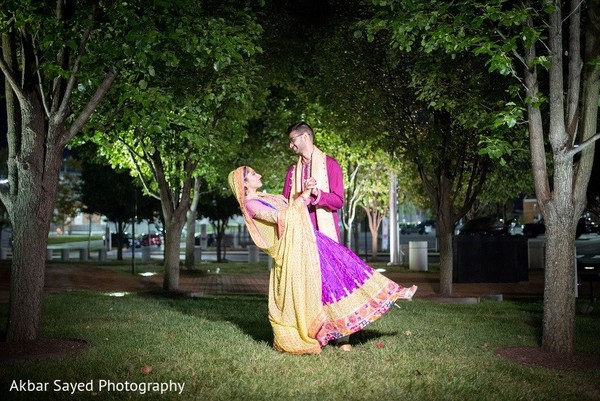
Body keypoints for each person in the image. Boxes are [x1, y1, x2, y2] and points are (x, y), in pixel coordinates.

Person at [228, 166, 417, 355]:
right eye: (253, 174)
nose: (259, 174)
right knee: (329, 285)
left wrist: (307, 191)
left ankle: (392, 292)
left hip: (310, 240)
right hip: (297, 251)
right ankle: (336, 331)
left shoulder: (265, 197)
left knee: (347, 267)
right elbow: (282, 217)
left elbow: (294, 207)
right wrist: (304, 195)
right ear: (244, 183)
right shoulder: (251, 204)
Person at [282, 122, 343, 243]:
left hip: (323, 237)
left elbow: (338, 201)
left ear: (305, 136)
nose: (290, 145)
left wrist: (316, 192)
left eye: (293, 140)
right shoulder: (292, 171)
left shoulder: (330, 165)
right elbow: (285, 203)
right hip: (298, 236)